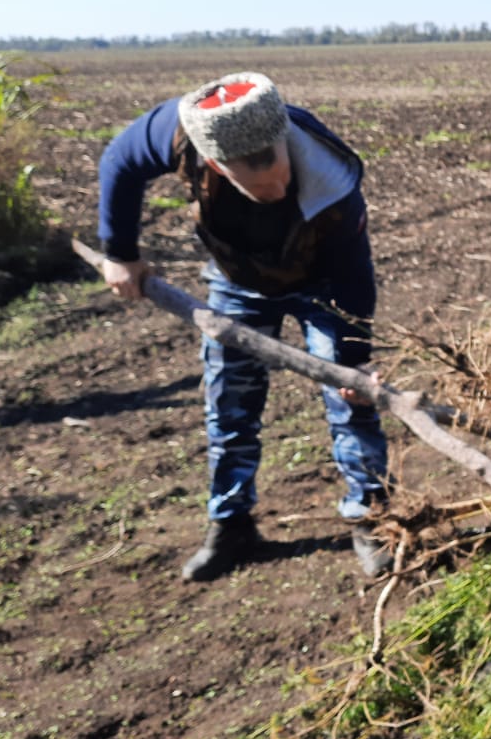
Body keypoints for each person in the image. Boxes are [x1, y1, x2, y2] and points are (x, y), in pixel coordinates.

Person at [95, 71, 392, 582]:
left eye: (282, 176)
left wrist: (354, 360)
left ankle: (373, 520)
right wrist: (120, 253)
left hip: (326, 285)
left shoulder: (331, 176)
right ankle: (231, 525)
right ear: (215, 164)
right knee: (229, 403)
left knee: (351, 403)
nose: (278, 190)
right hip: (237, 282)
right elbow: (120, 160)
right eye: (259, 187)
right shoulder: (181, 132)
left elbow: (353, 273)